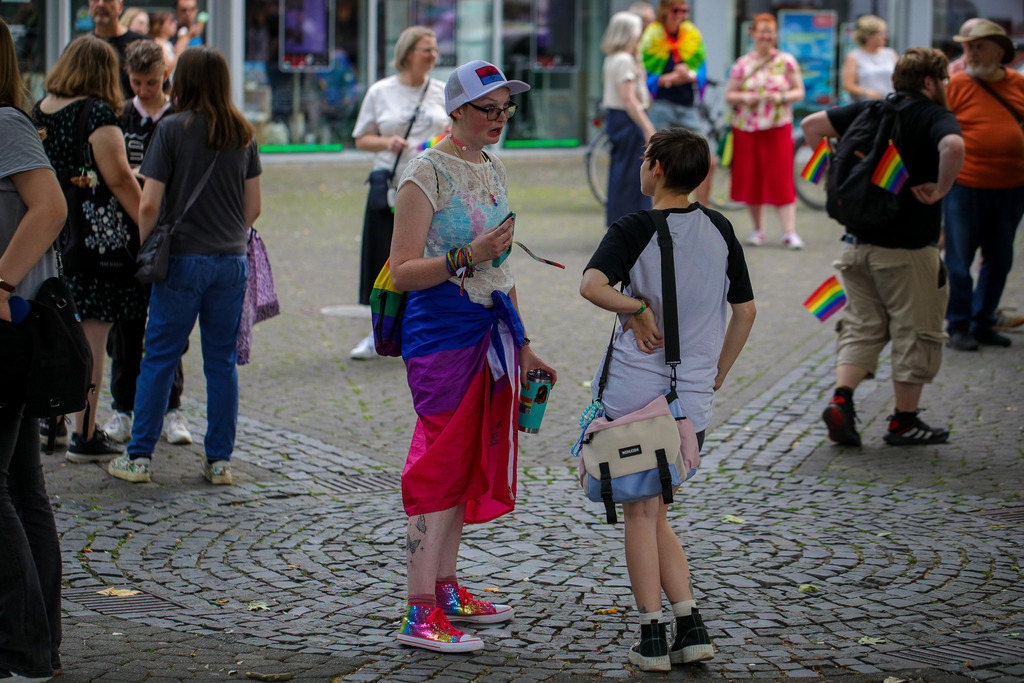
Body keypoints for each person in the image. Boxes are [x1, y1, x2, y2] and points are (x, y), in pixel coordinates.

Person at [389, 60, 556, 653]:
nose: (500, 118)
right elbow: (402, 271)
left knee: (462, 463)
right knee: (439, 461)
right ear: (457, 109)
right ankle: (419, 612)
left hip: (491, 330)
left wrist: (525, 345)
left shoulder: (491, 165)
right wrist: (467, 254)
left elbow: (502, 269)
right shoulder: (424, 172)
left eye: (506, 108)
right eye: (489, 108)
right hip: (440, 332)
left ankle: (446, 588)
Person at [579, 128, 755, 671]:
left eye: (643, 158)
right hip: (692, 399)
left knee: (639, 513)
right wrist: (719, 372)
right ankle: (690, 624)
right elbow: (746, 311)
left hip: (635, 395)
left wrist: (635, 308)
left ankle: (651, 635)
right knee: (654, 513)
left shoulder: (634, 227)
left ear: (655, 168)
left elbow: (591, 286)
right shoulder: (720, 227)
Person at [106, 46, 261, 486]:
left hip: (181, 261)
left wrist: (148, 248)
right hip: (231, 263)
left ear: (183, 81)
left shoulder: (171, 129)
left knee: (158, 357)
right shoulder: (243, 132)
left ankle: (139, 457)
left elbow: (149, 203)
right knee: (221, 363)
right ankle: (219, 461)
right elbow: (254, 207)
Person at [801, 48, 964, 447]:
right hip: (908, 251)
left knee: (862, 326)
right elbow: (953, 147)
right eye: (943, 80)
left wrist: (830, 175)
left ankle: (842, 400)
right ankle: (904, 422)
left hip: (856, 246)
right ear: (930, 82)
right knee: (916, 332)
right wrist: (941, 188)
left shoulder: (869, 109)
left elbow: (810, 126)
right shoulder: (934, 115)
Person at [33, 35, 144, 461]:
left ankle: (54, 422)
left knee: (56, 332)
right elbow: (120, 179)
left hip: (51, 235)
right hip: (95, 245)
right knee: (92, 339)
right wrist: (149, 226)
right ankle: (85, 432)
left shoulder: (40, 110)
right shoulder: (96, 112)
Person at [0, 17, 68, 681]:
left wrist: (1, 280)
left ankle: (24, 648)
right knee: (22, 485)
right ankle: (36, 644)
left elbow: (50, 208)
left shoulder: (5, 123)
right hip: (12, 326)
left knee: (11, 489)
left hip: (11, 326)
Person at [102, 39, 193, 447]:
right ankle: (122, 408)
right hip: (126, 237)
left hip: (169, 235)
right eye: (137, 83)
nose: (144, 90)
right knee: (126, 328)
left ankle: (172, 409)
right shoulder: (120, 116)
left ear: (165, 76)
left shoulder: (179, 118)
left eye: (152, 83)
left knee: (169, 326)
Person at [349, 26, 448, 360]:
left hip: (432, 186)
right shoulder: (381, 91)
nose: (433, 56)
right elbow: (361, 139)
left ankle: (422, 329)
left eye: (435, 49)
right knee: (383, 258)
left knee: (427, 258)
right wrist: (386, 142)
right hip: (391, 187)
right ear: (407, 53)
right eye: (426, 49)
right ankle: (379, 331)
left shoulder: (441, 91)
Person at [941, 20, 1024, 352]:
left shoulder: (1018, 83)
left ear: (999, 51)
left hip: (1012, 187)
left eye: (978, 47)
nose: (971, 53)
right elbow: (940, 127)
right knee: (959, 261)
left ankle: (983, 321)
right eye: (968, 47)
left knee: (1000, 259)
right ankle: (959, 324)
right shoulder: (958, 84)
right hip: (965, 186)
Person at [724, 13, 805, 249]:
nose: (766, 36)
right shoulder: (743, 64)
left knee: (781, 175)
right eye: (762, 31)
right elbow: (729, 95)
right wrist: (744, 97)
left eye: (770, 32)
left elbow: (799, 91)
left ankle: (789, 232)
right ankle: (758, 230)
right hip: (747, 127)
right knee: (753, 177)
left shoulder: (786, 61)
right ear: (753, 34)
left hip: (777, 125)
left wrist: (781, 97)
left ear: (776, 35)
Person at [639, 0, 713, 206]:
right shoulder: (652, 37)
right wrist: (670, 78)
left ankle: (702, 212)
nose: (681, 14)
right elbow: (643, 78)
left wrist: (689, 75)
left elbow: (700, 71)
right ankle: (658, 213)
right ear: (665, 10)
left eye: (685, 10)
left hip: (687, 107)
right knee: (657, 163)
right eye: (676, 10)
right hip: (661, 105)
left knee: (707, 160)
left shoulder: (691, 34)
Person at [602, 11, 656, 226]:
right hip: (628, 120)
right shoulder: (623, 60)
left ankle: (621, 222)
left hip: (617, 118)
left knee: (622, 173)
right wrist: (647, 127)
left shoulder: (613, 58)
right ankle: (633, 223)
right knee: (634, 175)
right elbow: (629, 99)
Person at [88, 0, 152, 99]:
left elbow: (162, 90)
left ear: (120, 6)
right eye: (95, 0)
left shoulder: (143, 44)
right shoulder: (79, 48)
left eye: (107, 0)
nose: (100, 4)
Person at [841, 15, 898, 101]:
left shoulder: (890, 53)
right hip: (866, 104)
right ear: (869, 36)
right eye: (881, 33)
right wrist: (866, 92)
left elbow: (900, 79)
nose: (885, 36)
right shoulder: (854, 56)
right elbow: (848, 85)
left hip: (890, 102)